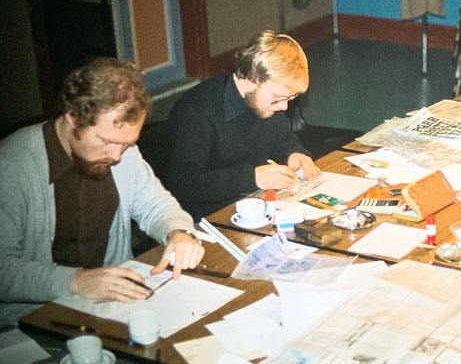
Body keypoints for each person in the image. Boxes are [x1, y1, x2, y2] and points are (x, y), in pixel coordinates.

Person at [0, 57, 205, 328]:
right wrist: (75, 281)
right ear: (72, 117)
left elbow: (156, 204)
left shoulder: (122, 151)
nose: (117, 156)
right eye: (106, 141)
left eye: (127, 144)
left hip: (110, 308)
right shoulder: (13, 164)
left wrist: (177, 232)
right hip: (30, 320)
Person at [166, 31, 321, 221]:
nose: (284, 106)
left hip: (255, 201)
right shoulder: (196, 112)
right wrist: (252, 178)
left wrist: (293, 153)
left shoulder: (264, 100)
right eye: (278, 98)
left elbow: (280, 137)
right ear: (250, 78)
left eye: (290, 98)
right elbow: (185, 183)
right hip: (209, 217)